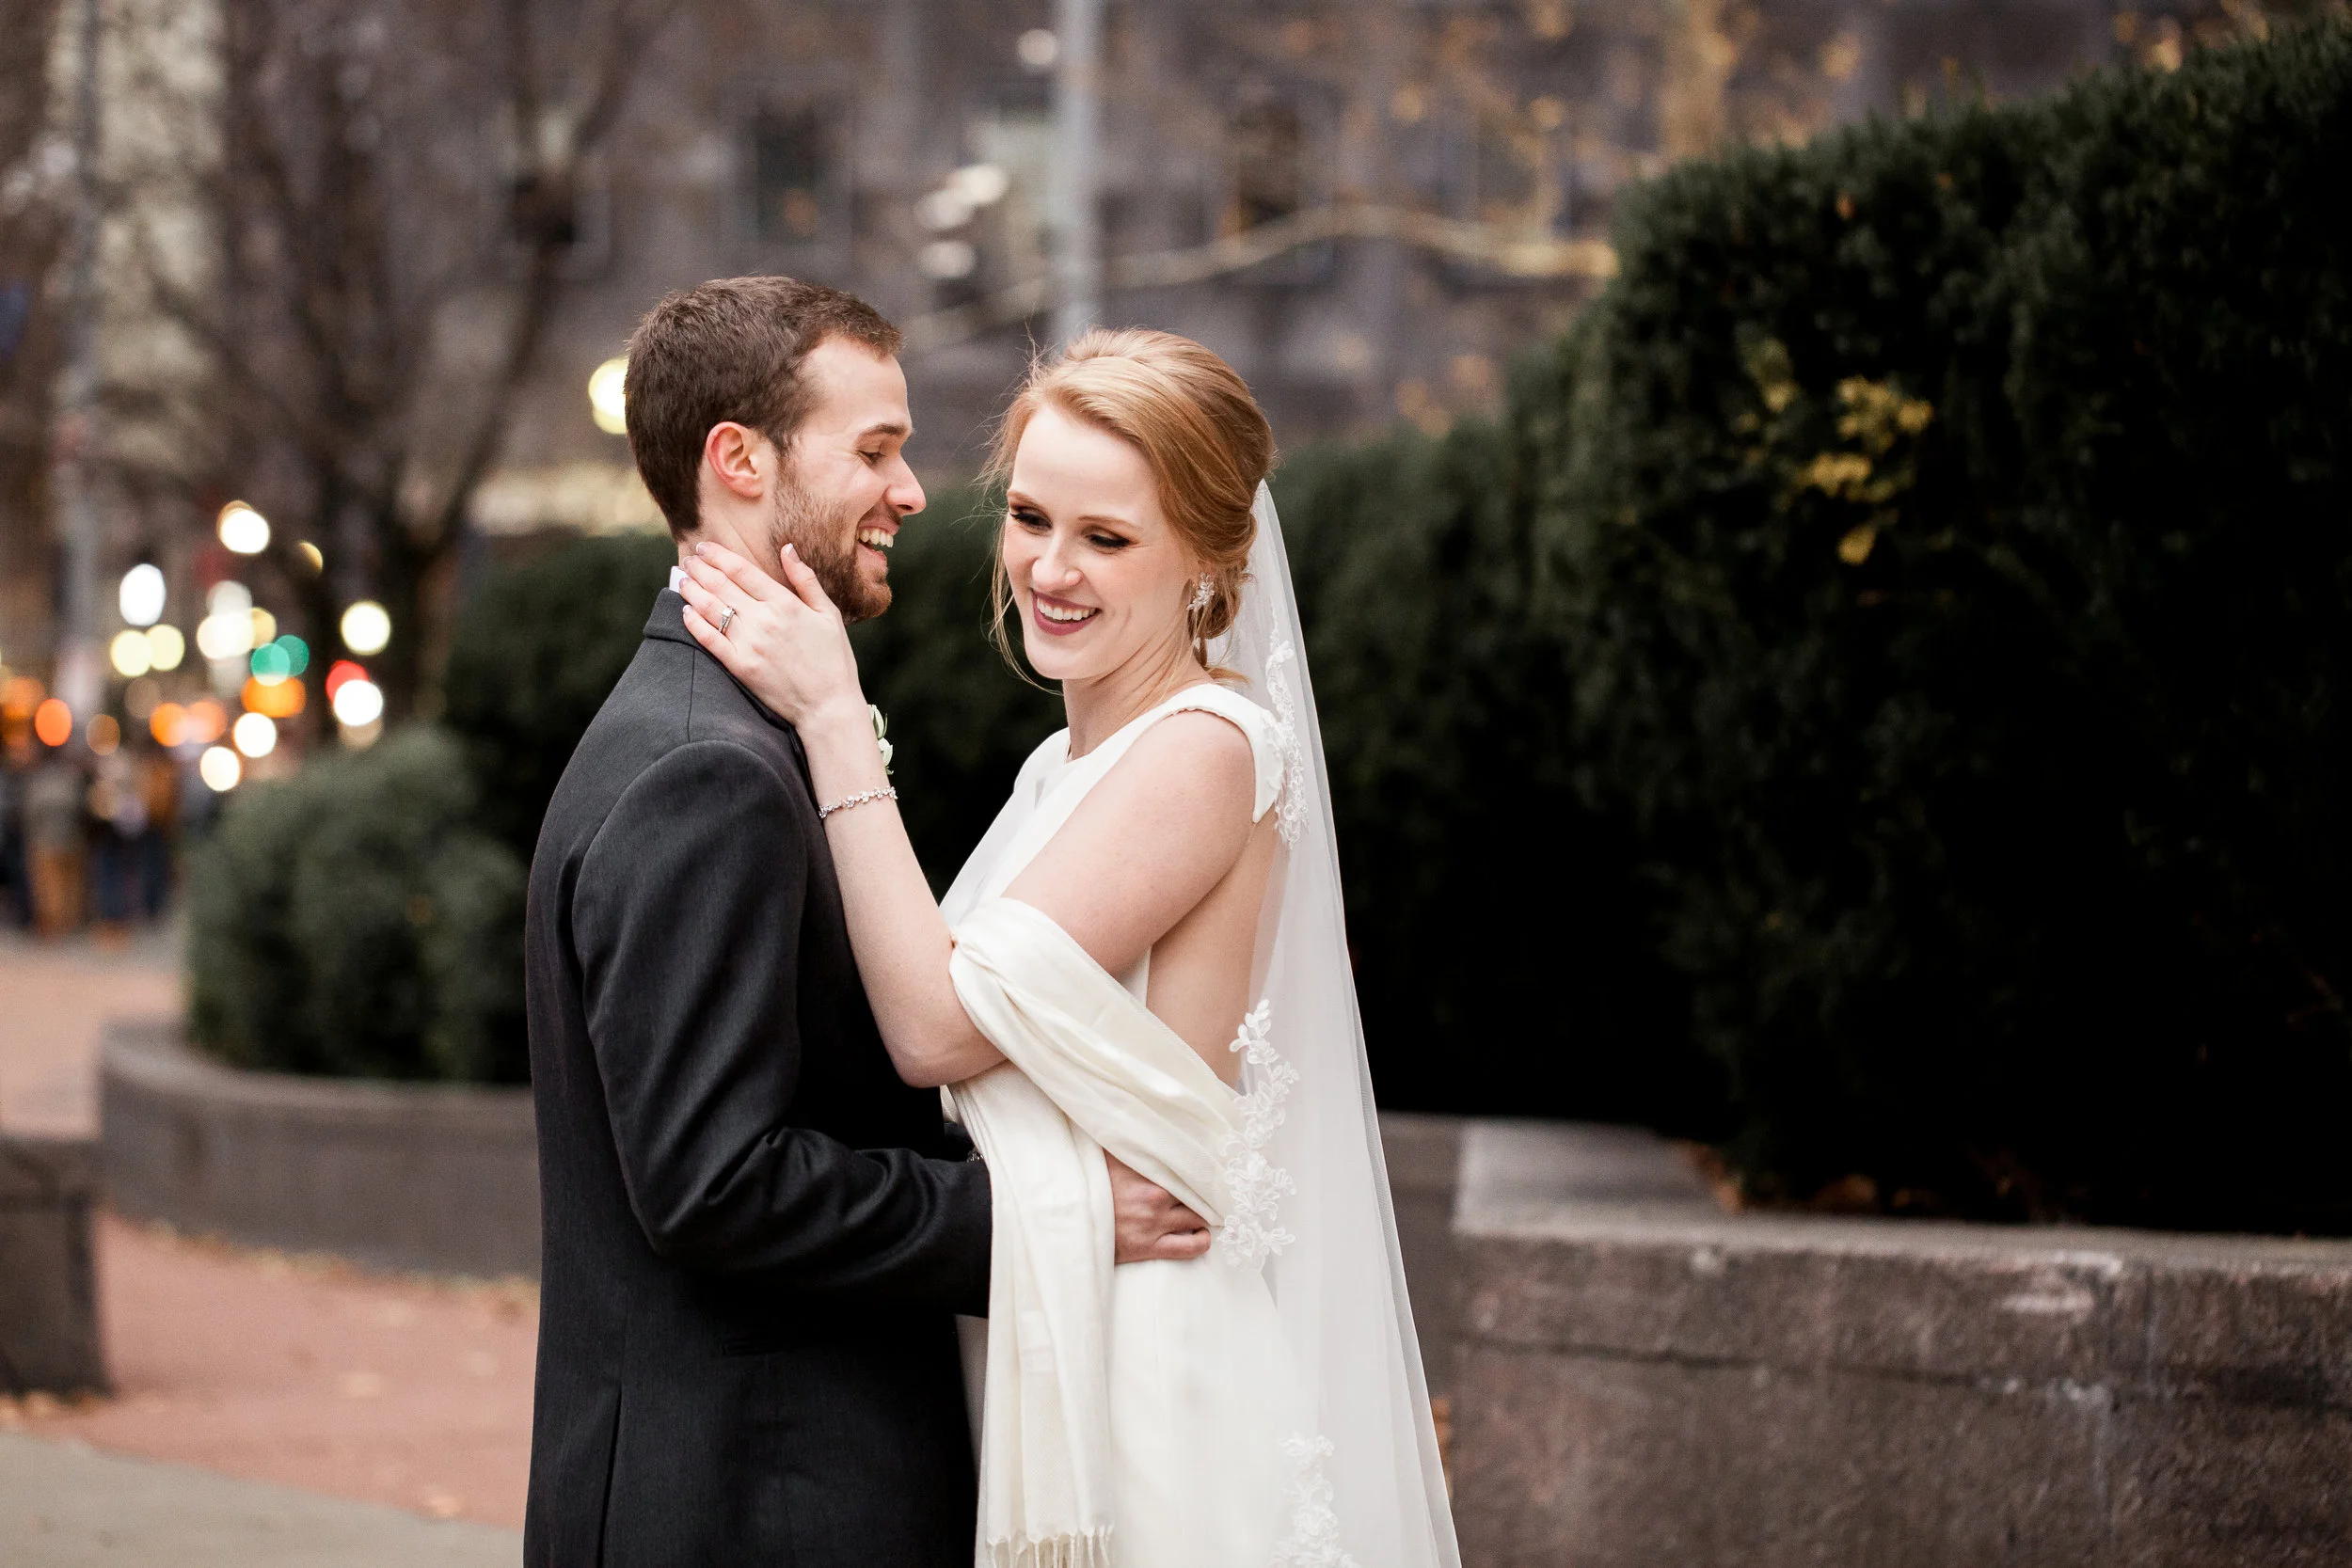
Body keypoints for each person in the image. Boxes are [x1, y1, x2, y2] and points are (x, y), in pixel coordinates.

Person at [680, 327, 1459, 1568]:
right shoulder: (1063, 765)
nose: (1051, 569)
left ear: (1208, 559)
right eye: (1031, 517)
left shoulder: (1205, 749)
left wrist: (833, 719)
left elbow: (936, 1028)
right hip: (1061, 1322)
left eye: (1107, 537)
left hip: (1146, 1378)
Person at [521, 278, 1210, 1568]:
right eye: (876, 450)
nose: (911, 491)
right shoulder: (706, 771)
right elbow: (717, 1186)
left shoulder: (726, 732)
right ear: (741, 460)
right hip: (758, 1502)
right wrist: (1042, 1218)